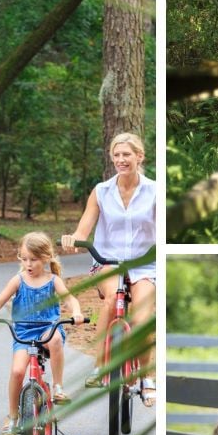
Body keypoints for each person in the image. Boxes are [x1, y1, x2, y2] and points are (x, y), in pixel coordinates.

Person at [60, 132, 156, 406]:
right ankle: (100, 366)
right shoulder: (101, 191)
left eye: (127, 154)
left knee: (141, 317)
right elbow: (83, 229)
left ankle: (147, 378)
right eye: (116, 155)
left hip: (145, 263)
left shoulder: (155, 192)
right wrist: (73, 238)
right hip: (108, 261)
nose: (121, 160)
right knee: (112, 299)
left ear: (139, 156)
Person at [0, 231, 84, 435]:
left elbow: (70, 300)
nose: (28, 264)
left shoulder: (53, 280)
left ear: (45, 258)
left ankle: (58, 387)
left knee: (54, 339)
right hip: (24, 332)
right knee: (18, 371)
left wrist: (76, 312)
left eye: (33, 260)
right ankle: (13, 418)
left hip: (48, 328)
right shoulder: (18, 280)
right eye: (24, 259)